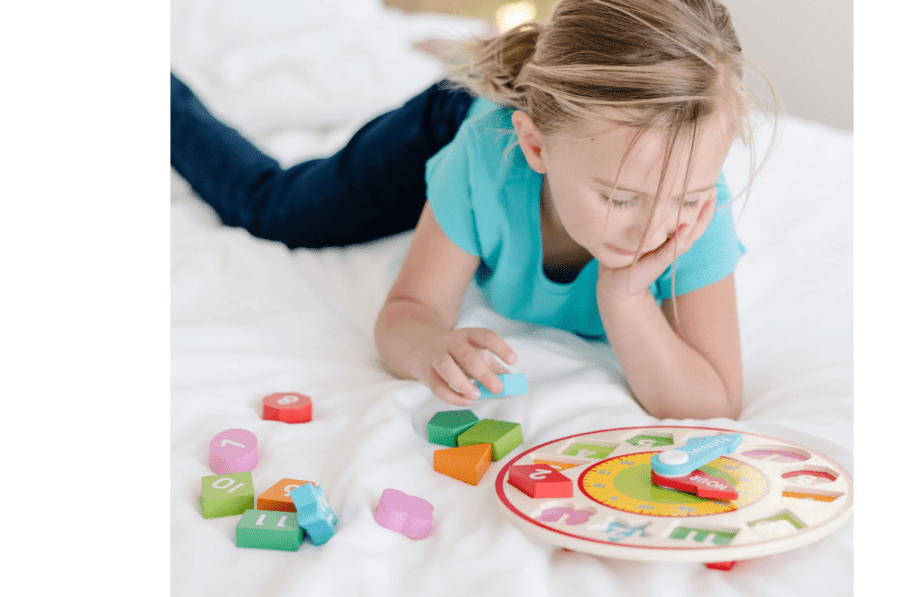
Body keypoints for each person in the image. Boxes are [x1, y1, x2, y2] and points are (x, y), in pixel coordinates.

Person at [171, 0, 776, 420]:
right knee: (277, 211)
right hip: (449, 125)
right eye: (621, 199)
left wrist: (624, 296)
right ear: (536, 146)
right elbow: (407, 314)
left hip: (542, 128)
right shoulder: (486, 160)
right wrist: (428, 345)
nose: (654, 229)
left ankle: (466, 50)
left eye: (688, 196)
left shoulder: (693, 207)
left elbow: (713, 402)